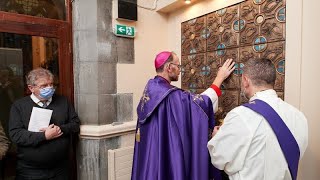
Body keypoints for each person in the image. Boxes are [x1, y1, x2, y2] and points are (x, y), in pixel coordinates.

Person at [131, 51, 235, 180]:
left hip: (151, 159)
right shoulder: (170, 95)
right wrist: (219, 78)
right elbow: (200, 104)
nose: (180, 70)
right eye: (178, 66)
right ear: (169, 67)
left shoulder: (151, 91)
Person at [207, 58, 308, 180]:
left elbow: (219, 159)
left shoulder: (241, 115)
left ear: (245, 80)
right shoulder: (299, 117)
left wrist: (217, 137)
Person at [8, 68, 80, 180]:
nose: (49, 88)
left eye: (51, 84)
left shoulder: (63, 101)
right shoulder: (19, 106)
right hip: (30, 171)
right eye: (44, 86)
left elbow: (75, 124)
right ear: (31, 88)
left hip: (60, 169)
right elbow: (16, 134)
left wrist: (60, 129)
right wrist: (45, 136)